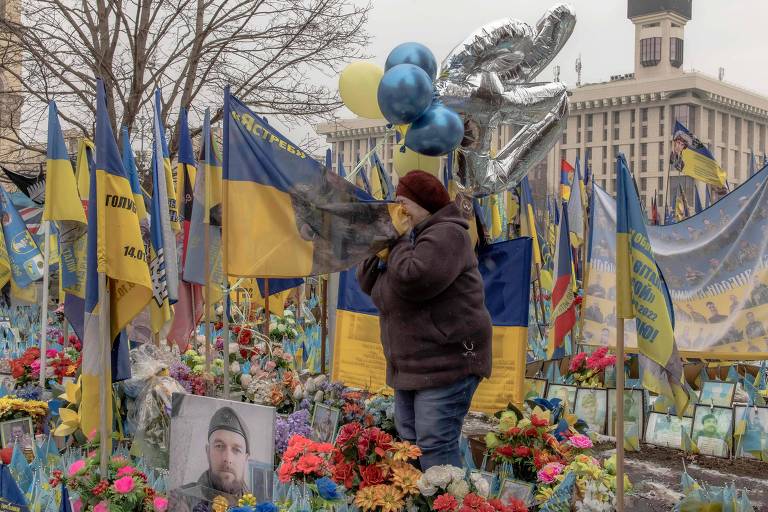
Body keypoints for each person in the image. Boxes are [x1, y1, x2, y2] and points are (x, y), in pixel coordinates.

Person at [357, 170, 492, 470]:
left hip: (447, 362)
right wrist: (382, 246)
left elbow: (414, 279)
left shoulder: (449, 234)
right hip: (411, 365)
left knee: (434, 446)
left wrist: (400, 241)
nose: (398, 210)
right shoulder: (408, 237)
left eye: (404, 203)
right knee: (409, 446)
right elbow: (368, 282)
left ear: (423, 205)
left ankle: (448, 503)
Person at [179, 406, 251, 510]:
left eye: (236, 450)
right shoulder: (181, 499)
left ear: (245, 458)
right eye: (219, 446)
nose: (227, 458)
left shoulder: (258, 506)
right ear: (208, 452)